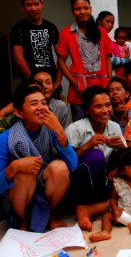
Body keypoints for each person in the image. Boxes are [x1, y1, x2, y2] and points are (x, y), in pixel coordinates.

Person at [0, 84, 77, 231]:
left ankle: (49, 215)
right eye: (34, 104)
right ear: (18, 112)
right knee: (24, 171)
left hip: (43, 183)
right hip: (19, 193)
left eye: (43, 103)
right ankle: (22, 221)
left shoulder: (51, 130)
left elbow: (72, 166)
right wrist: (14, 167)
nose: (41, 107)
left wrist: (60, 131)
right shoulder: (6, 138)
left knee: (60, 168)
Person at [65, 85, 127, 231]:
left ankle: (92, 209)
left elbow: (127, 157)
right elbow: (67, 164)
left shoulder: (114, 127)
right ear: (86, 110)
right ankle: (88, 205)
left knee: (124, 185)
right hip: (79, 184)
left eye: (108, 105)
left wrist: (122, 148)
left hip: (103, 180)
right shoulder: (75, 129)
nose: (105, 110)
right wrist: (86, 146)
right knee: (95, 156)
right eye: (98, 106)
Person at [57, 0, 112, 122]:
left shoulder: (101, 31)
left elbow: (107, 58)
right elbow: (60, 60)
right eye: (78, 9)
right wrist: (73, 82)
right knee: (80, 128)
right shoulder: (66, 33)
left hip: (101, 86)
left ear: (90, 9)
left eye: (86, 8)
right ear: (72, 12)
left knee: (101, 124)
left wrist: (109, 79)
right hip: (79, 90)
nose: (82, 11)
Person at [11, 0, 62, 89]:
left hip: (50, 79)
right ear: (23, 7)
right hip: (30, 81)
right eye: (28, 5)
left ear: (41, 4)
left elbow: (61, 56)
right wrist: (33, 80)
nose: (33, 8)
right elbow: (18, 58)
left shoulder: (51, 27)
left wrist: (58, 80)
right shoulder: (18, 28)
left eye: (36, 4)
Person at [0, 69, 71, 130]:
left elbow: (63, 132)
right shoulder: (21, 102)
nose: (44, 86)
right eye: (39, 82)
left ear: (53, 86)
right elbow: (2, 114)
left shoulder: (60, 106)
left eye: (48, 82)